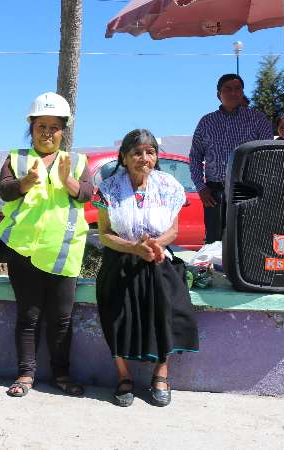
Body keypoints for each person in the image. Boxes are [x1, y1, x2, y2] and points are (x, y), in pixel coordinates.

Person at [0, 93, 92, 398]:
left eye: (54, 127)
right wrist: (26, 181)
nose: (47, 133)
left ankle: (61, 375)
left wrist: (69, 182)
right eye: (41, 126)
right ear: (31, 127)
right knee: (28, 317)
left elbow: (88, 193)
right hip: (25, 252)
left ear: (63, 130)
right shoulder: (17, 158)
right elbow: (7, 192)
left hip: (64, 251)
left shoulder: (76, 161)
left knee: (61, 319)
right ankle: (25, 374)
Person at [94, 129, 199, 408]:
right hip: (121, 261)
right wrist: (133, 248)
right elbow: (104, 234)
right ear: (125, 157)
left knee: (166, 312)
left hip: (158, 259)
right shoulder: (108, 189)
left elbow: (173, 229)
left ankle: (161, 376)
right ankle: (124, 377)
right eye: (137, 152)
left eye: (150, 152)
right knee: (115, 315)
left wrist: (155, 245)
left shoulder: (169, 186)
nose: (144, 158)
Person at [189, 74, 271, 243]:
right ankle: (216, 270)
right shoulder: (206, 122)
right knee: (215, 243)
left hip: (248, 190)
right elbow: (195, 156)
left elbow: (268, 156)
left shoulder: (258, 119)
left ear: (242, 92)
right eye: (228, 89)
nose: (233, 93)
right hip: (214, 193)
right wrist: (201, 187)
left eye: (238, 89)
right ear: (218, 94)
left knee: (247, 241)